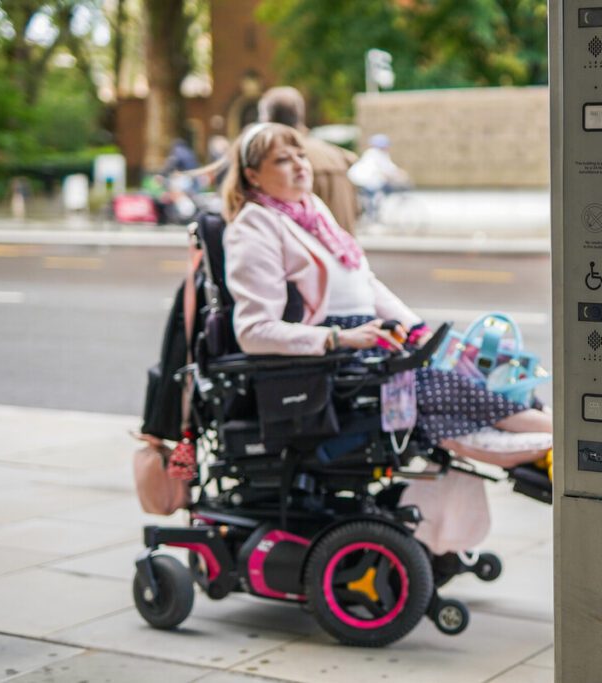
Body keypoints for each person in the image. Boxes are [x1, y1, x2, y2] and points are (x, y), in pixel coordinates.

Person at [218, 122, 552, 557]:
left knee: (481, 368)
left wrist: (418, 331)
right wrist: (340, 338)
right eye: (283, 159)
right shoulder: (253, 227)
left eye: (300, 154)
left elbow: (364, 283)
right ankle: (562, 445)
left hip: (371, 347)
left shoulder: (309, 208)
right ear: (252, 177)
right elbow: (253, 332)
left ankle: (555, 439)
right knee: (453, 388)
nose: (300, 165)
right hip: (335, 370)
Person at [257, 86, 360, 235]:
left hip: (317, 252)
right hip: (345, 251)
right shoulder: (335, 155)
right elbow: (356, 211)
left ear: (268, 119)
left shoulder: (279, 163)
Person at [347, 134, 411, 221]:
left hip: (369, 181)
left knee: (380, 193)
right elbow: (384, 170)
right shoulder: (373, 154)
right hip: (364, 181)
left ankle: (373, 213)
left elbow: (390, 168)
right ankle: (371, 216)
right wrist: (397, 175)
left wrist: (399, 173)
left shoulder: (382, 154)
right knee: (374, 196)